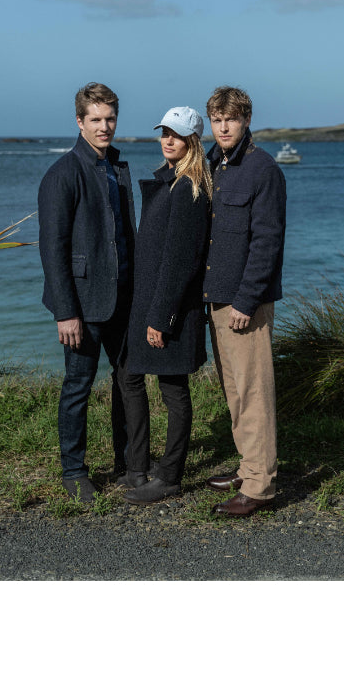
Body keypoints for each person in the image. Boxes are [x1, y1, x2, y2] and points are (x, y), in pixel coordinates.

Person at [37, 82, 136, 502]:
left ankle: (129, 464)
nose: (104, 126)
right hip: (81, 302)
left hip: (123, 297)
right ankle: (74, 471)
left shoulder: (117, 167)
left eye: (110, 118)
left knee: (127, 381)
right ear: (79, 122)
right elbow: (52, 249)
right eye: (95, 119)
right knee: (78, 385)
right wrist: (65, 311)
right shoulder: (62, 174)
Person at [119, 106, 212, 505]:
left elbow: (180, 262)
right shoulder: (170, 181)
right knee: (129, 375)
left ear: (192, 141)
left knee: (174, 390)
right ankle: (137, 467)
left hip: (169, 307)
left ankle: (170, 477)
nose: (168, 140)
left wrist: (162, 317)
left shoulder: (189, 188)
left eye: (176, 134)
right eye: (164, 133)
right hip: (149, 302)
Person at [202, 86, 286, 516]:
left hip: (243, 305)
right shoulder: (214, 164)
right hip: (216, 298)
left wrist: (246, 300)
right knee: (234, 391)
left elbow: (267, 243)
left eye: (231, 119)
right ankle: (248, 467)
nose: (223, 127)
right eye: (217, 120)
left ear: (247, 120)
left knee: (254, 395)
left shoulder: (263, 169)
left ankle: (259, 487)